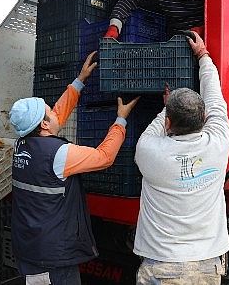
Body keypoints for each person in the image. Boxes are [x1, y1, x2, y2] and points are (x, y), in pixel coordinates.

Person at [9, 51, 139, 285]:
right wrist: (121, 120)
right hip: (53, 258)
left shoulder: (22, 144)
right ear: (43, 124)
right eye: (48, 111)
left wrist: (79, 81)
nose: (53, 110)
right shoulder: (57, 154)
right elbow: (105, 157)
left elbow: (57, 114)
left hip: (30, 247)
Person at [133, 32, 229, 285]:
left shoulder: (148, 151)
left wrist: (167, 107)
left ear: (168, 122)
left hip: (161, 266)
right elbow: (215, 97)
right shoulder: (220, 142)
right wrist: (203, 56)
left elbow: (155, 130)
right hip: (207, 266)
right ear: (204, 119)